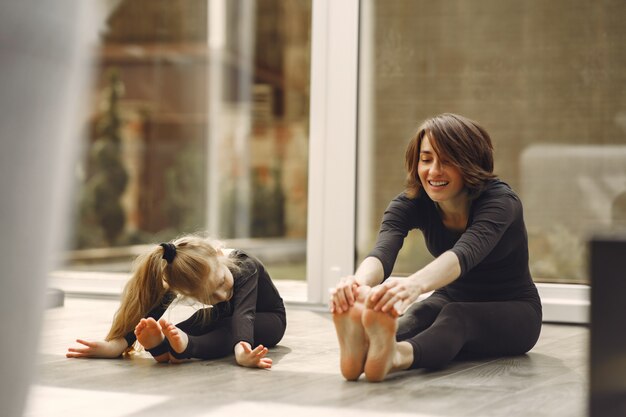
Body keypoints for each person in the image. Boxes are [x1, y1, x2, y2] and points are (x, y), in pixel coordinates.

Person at [330, 113, 542, 382]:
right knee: (420, 312)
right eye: (426, 159)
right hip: (450, 295)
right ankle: (366, 349)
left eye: (447, 161)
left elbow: (463, 254)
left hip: (514, 310)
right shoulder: (412, 201)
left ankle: (398, 356)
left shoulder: (500, 202)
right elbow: (383, 250)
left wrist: (413, 285)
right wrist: (356, 287)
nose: (433, 171)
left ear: (470, 162)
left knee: (456, 316)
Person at [67, 234, 286, 369]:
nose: (220, 296)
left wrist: (242, 352)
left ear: (219, 255)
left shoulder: (245, 265)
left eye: (220, 282)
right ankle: (163, 348)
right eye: (209, 296)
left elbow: (243, 314)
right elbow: (150, 310)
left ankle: (187, 346)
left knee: (227, 324)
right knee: (202, 317)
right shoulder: (182, 273)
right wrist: (116, 345)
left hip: (270, 320)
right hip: (230, 318)